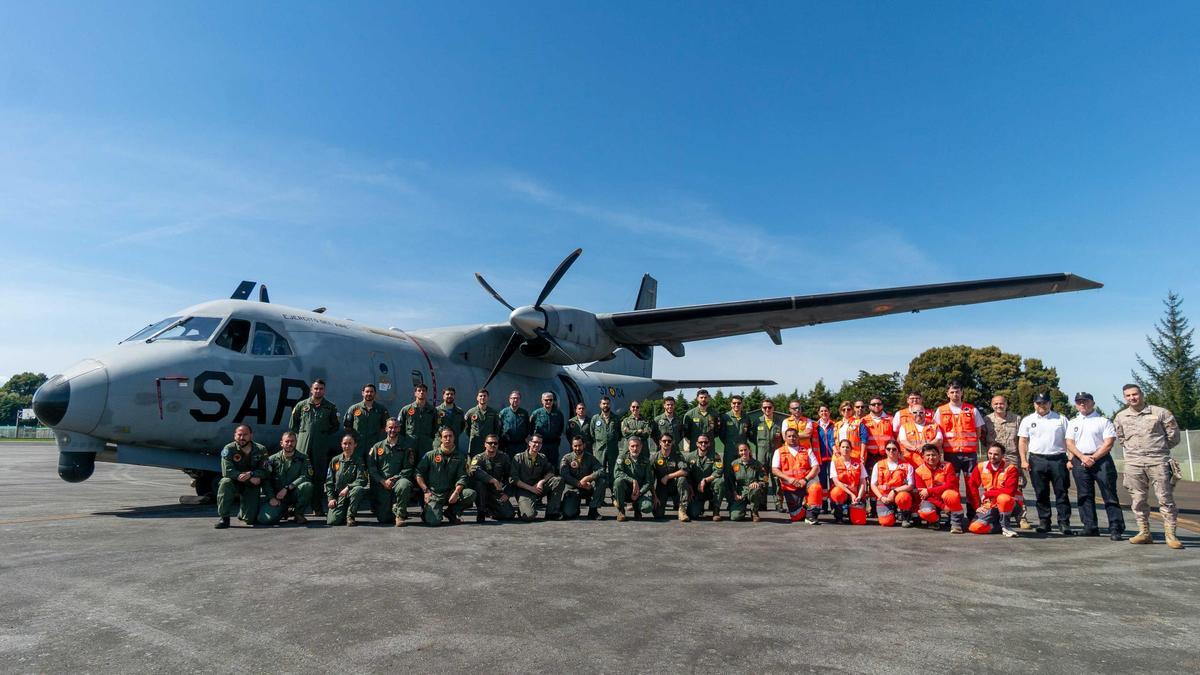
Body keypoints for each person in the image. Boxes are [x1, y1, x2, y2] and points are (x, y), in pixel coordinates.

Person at [1114, 384, 1183, 549]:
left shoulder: (1160, 413)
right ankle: (1144, 532)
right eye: (1128, 396)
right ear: (1125, 398)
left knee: (1165, 499)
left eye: (1135, 394)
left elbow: (1174, 437)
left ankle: (1171, 535)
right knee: (1138, 500)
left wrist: (1157, 448)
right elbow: (1121, 438)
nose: (1132, 398)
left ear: (1141, 394)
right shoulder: (1121, 417)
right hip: (1134, 462)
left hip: (1158, 460)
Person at [1065, 392, 1123, 540]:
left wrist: (1093, 457)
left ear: (1093, 403)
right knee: (1084, 495)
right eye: (1079, 402)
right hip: (1080, 460)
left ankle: (1116, 528)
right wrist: (1082, 457)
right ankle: (1090, 526)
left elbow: (1108, 442)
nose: (1082, 404)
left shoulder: (1103, 421)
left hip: (1101, 460)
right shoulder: (1073, 422)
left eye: (1085, 401)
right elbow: (1069, 443)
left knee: (1109, 494)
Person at [1018, 393, 1073, 535]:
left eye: (1044, 403)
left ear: (1050, 403)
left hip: (1058, 459)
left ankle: (1064, 522)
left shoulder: (1061, 419)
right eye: (1038, 403)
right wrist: (1024, 460)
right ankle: (1044, 522)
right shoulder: (1028, 420)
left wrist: (1070, 459)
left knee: (1061, 492)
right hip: (1037, 460)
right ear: (1034, 404)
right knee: (1041, 493)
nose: (1041, 406)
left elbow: (1069, 441)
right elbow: (1023, 441)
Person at [933, 382, 985, 520]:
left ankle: (973, 514)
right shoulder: (941, 410)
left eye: (957, 392)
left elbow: (978, 432)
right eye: (952, 392)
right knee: (951, 486)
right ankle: (954, 515)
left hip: (969, 454)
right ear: (947, 394)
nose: (955, 395)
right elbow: (936, 431)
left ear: (962, 392)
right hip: (951, 454)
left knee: (972, 486)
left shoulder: (972, 409)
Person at [289, 379, 340, 515]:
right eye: (316, 388)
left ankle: (317, 507)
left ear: (324, 390)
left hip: (320, 447)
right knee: (300, 474)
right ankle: (295, 507)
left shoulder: (330, 407)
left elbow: (335, 426)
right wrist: (303, 435)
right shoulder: (301, 405)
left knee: (318, 476)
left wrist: (321, 434)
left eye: (321, 389)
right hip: (303, 446)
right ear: (311, 390)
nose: (318, 391)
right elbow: (293, 425)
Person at [983, 394, 1030, 529]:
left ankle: (1021, 517)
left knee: (1017, 487)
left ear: (1006, 404)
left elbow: (1022, 439)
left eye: (1001, 403)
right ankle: (995, 515)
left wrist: (1023, 458)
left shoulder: (1016, 419)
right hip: (994, 458)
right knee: (994, 486)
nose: (999, 406)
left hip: (1012, 457)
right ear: (992, 405)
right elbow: (983, 437)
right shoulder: (987, 419)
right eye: (996, 404)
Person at [415, 428, 476, 525]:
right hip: (434, 494)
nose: (448, 439)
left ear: (454, 438)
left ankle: (451, 512)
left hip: (450, 492)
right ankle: (427, 512)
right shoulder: (430, 455)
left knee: (470, 494)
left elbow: (462, 477)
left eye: (450, 436)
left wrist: (456, 492)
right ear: (440, 439)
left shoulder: (460, 457)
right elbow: (418, 473)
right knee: (434, 522)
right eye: (445, 436)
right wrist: (426, 491)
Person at [214, 424, 269, 529]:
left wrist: (253, 474)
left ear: (251, 435)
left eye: (245, 435)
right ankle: (224, 517)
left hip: (252, 484)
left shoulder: (261, 449)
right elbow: (227, 471)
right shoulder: (229, 449)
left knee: (250, 520)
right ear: (235, 436)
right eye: (239, 435)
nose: (242, 437)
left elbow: (266, 470)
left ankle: (243, 514)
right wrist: (246, 476)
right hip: (235, 481)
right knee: (225, 482)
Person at [366, 418, 417, 526]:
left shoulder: (406, 446)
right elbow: (372, 468)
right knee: (383, 519)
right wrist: (382, 481)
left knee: (405, 484)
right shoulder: (377, 447)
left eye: (395, 427)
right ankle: (394, 508)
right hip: (382, 483)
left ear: (399, 429)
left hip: (398, 481)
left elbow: (408, 468)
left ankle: (400, 515)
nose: (392, 430)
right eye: (390, 427)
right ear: (385, 429)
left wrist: (393, 479)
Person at [256, 431, 313, 526]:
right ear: (281, 443)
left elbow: (305, 476)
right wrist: (271, 498)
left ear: (296, 442)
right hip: (278, 497)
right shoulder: (272, 459)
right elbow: (266, 480)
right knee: (264, 519)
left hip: (294, 493)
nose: (289, 444)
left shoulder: (303, 458)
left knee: (307, 486)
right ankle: (284, 510)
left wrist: (287, 488)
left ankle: (298, 513)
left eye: (292, 441)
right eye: (287, 441)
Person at [966, 442, 1021, 537]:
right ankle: (999, 526)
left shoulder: (1011, 469)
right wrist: (977, 506)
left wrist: (988, 494)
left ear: (1002, 455)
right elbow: (972, 486)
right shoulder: (981, 466)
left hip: (1011, 505)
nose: (992, 456)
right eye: (990, 453)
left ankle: (1006, 527)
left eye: (996, 454)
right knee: (974, 527)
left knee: (1003, 498)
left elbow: (1009, 491)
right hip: (990, 506)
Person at [772, 427, 823, 524]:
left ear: (798, 437)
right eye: (789, 436)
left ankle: (811, 516)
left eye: (794, 436)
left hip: (806, 482)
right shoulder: (779, 451)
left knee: (815, 487)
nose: (792, 438)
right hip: (790, 486)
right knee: (796, 517)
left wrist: (805, 479)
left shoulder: (808, 450)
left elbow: (816, 468)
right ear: (785, 438)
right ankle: (804, 508)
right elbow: (775, 470)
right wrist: (789, 479)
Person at [510, 434, 563, 521]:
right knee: (529, 516)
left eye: (539, 443)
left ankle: (552, 513)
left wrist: (541, 482)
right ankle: (524, 508)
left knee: (558, 480)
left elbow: (551, 472)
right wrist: (530, 488)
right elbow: (513, 479)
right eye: (535, 442)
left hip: (537, 488)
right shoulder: (518, 458)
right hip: (524, 490)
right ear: (529, 443)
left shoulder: (542, 457)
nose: (537, 445)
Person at [914, 444, 963, 533]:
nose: (931, 458)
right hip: (931, 500)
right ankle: (935, 520)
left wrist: (929, 491)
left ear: (939, 455)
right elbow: (923, 495)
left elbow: (950, 485)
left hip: (946, 498)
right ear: (923, 457)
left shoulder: (948, 466)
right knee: (925, 512)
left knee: (951, 495)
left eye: (934, 455)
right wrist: (942, 506)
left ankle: (956, 523)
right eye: (928, 455)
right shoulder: (918, 471)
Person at [469, 434, 515, 522]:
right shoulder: (479, 458)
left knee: (509, 514)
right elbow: (474, 470)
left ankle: (490, 510)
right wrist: (493, 480)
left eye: (495, 443)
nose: (493, 445)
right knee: (479, 483)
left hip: (495, 491)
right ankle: (481, 511)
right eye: (490, 443)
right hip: (481, 492)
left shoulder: (504, 457)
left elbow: (510, 476)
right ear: (485, 444)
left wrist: (507, 493)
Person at [559, 436, 606, 520]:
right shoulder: (567, 458)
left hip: (587, 488)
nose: (577, 448)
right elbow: (564, 475)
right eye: (575, 446)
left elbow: (601, 470)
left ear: (584, 445)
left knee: (601, 481)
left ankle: (593, 510)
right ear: (572, 446)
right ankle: (573, 507)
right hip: (573, 489)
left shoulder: (590, 457)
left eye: (580, 445)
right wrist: (579, 483)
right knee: (569, 514)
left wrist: (588, 478)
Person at [751, 399, 785, 511]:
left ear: (773, 408)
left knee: (777, 479)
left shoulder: (779, 422)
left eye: (769, 407)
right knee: (763, 478)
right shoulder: (757, 422)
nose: (767, 409)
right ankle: (762, 503)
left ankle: (778, 504)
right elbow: (752, 436)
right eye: (765, 407)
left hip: (776, 454)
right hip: (762, 455)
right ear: (761, 409)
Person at [325, 435, 367, 527]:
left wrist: (348, 487)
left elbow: (362, 479)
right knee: (332, 521)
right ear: (341, 445)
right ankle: (343, 512)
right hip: (339, 496)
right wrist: (331, 498)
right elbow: (329, 481)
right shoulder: (335, 460)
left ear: (355, 445)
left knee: (358, 489)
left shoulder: (359, 460)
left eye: (350, 443)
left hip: (351, 494)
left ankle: (350, 516)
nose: (347, 446)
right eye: (345, 443)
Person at [869, 441, 914, 527]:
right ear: (885, 450)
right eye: (888, 449)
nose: (891, 451)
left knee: (903, 497)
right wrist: (881, 497)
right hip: (884, 498)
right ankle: (892, 512)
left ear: (898, 451)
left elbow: (910, 485)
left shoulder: (907, 466)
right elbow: (873, 485)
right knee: (886, 522)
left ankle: (905, 517)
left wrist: (894, 491)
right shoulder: (878, 465)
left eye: (894, 449)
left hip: (899, 495)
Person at [343, 383, 390, 463]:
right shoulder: (354, 409)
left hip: (373, 445)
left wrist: (377, 440)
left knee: (373, 467)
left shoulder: (381, 410)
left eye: (371, 392)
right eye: (367, 391)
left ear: (375, 393)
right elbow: (347, 427)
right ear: (363, 393)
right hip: (357, 446)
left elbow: (385, 427)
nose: (369, 394)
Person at [652, 433, 692, 521]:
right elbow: (650, 479)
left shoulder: (677, 455)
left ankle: (682, 510)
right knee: (657, 514)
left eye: (669, 441)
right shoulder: (655, 457)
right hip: (662, 487)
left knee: (682, 479)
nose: (667, 443)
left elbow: (685, 471)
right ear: (660, 442)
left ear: (672, 443)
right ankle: (672, 504)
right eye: (664, 441)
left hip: (675, 487)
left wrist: (668, 476)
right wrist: (654, 497)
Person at [613, 436, 655, 521]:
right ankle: (621, 510)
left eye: (637, 446)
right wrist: (632, 480)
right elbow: (617, 473)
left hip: (639, 492)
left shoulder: (646, 461)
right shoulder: (622, 458)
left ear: (641, 446)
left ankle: (637, 509)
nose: (635, 448)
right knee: (618, 481)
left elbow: (648, 481)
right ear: (628, 447)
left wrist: (639, 493)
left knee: (648, 507)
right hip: (625, 491)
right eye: (632, 446)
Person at [686, 434, 726, 521]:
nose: (703, 444)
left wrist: (705, 480)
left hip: (710, 488)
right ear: (697, 444)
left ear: (709, 444)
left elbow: (718, 472)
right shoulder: (689, 457)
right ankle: (700, 507)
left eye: (705, 442)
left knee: (720, 481)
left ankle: (716, 511)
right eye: (701, 442)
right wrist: (690, 489)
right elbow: (686, 475)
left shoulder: (715, 456)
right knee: (693, 514)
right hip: (696, 490)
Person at [828, 439, 868, 525]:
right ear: (839, 449)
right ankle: (839, 516)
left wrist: (859, 496)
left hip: (856, 494)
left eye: (847, 447)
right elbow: (836, 482)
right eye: (843, 447)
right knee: (836, 492)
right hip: (844, 492)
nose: (845, 449)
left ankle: (852, 511)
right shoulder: (834, 462)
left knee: (858, 522)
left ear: (851, 449)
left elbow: (863, 481)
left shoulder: (858, 462)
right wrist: (850, 494)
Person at [728, 442, 766, 522]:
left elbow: (765, 479)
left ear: (749, 450)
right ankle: (742, 510)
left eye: (745, 450)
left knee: (755, 490)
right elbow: (730, 482)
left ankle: (754, 512)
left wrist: (758, 483)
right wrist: (735, 494)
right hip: (740, 492)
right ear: (738, 452)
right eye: (741, 450)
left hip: (752, 490)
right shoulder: (734, 464)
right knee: (735, 517)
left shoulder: (757, 464)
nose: (743, 452)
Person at [398, 383, 439, 456]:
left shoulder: (432, 410)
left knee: (424, 466)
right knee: (409, 464)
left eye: (423, 391)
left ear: (426, 393)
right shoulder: (406, 409)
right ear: (415, 393)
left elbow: (436, 428)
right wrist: (403, 443)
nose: (421, 392)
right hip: (410, 444)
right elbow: (399, 427)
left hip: (426, 445)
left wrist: (432, 442)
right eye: (419, 390)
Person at [861, 397, 895, 478]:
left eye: (879, 404)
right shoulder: (864, 420)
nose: (876, 406)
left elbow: (896, 438)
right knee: (871, 479)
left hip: (887, 455)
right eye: (873, 404)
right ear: (869, 406)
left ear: (882, 406)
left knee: (886, 478)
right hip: (870, 456)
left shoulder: (890, 419)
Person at [528, 392, 565, 464]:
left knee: (553, 464)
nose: (548, 402)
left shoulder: (558, 414)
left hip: (553, 444)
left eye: (550, 400)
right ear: (542, 401)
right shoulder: (536, 413)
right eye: (546, 400)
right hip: (540, 445)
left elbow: (561, 427)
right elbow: (530, 428)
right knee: (539, 463)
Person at [591, 396, 622, 481]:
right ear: (600, 405)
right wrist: (600, 441)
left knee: (614, 470)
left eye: (607, 404)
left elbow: (619, 434)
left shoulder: (616, 418)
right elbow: (592, 433)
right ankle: (600, 492)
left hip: (613, 449)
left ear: (610, 405)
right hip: (600, 449)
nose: (605, 405)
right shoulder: (595, 418)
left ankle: (613, 491)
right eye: (604, 404)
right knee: (600, 470)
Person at [465, 389, 502, 456]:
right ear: (477, 398)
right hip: (475, 443)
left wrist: (492, 439)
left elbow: (497, 428)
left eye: (484, 396)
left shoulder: (493, 413)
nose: (482, 398)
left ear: (488, 398)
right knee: (473, 461)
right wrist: (474, 435)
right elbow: (466, 427)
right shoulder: (471, 412)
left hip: (489, 443)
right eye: (480, 396)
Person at [717, 395, 752, 465]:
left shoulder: (746, 417)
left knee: (742, 472)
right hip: (729, 450)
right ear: (731, 404)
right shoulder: (725, 417)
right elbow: (721, 434)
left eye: (739, 403)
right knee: (729, 471)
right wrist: (729, 444)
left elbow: (748, 433)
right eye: (734, 403)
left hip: (742, 451)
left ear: (742, 404)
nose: (736, 405)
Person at [498, 390, 530, 457]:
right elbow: (498, 428)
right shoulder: (503, 413)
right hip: (507, 445)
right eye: (513, 398)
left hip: (520, 445)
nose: (515, 400)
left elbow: (528, 427)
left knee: (520, 463)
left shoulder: (524, 413)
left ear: (520, 400)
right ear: (509, 400)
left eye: (517, 398)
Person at [815, 405, 837, 498]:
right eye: (822, 411)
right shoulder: (815, 426)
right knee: (822, 481)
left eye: (826, 411)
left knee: (833, 480)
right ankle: (823, 503)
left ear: (829, 412)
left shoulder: (835, 425)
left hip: (833, 458)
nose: (824, 413)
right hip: (820, 458)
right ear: (819, 413)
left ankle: (834, 503)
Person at [436, 386, 466, 453]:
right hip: (439, 443)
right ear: (443, 396)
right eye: (447, 394)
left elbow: (462, 426)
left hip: (454, 443)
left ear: (454, 396)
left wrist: (455, 433)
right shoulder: (436, 411)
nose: (449, 396)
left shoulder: (459, 412)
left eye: (452, 394)